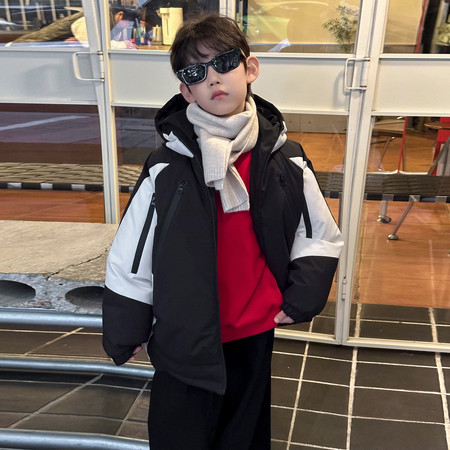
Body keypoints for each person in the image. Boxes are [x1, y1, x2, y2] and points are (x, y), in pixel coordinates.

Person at [102, 13, 344, 450]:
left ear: (250, 69)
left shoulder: (284, 157)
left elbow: (316, 230)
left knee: (243, 435)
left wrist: (304, 294)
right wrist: (127, 322)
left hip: (253, 326)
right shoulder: (168, 165)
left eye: (224, 62)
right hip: (185, 330)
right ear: (186, 90)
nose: (213, 78)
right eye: (196, 72)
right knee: (179, 434)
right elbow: (135, 247)